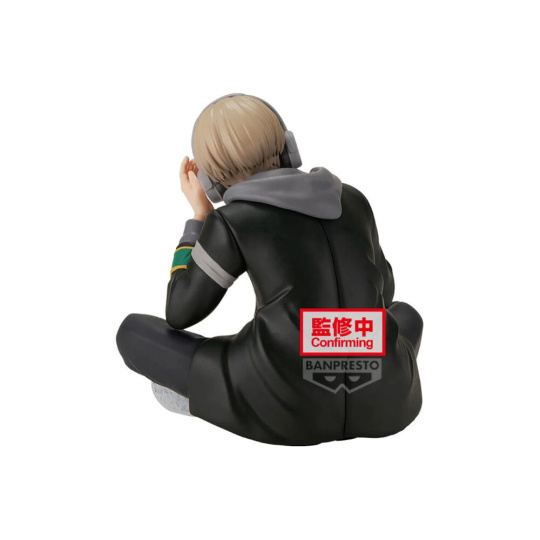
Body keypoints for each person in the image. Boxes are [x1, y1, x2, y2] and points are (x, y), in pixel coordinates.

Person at [116, 93, 423, 445]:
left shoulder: (231, 222)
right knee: (406, 314)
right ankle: (380, 374)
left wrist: (199, 219)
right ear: (289, 147)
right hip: (388, 402)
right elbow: (386, 294)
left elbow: (180, 311)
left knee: (133, 332)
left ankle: (210, 397)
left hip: (285, 409)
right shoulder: (353, 200)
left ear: (210, 182)